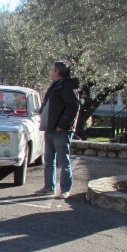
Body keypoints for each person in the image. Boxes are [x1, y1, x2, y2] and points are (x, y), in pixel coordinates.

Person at [34, 61, 81, 199]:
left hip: (60, 130)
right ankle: (49, 187)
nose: (50, 71)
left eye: (52, 69)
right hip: (49, 128)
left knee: (63, 160)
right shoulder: (55, 86)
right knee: (49, 159)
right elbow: (52, 104)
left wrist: (62, 125)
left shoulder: (66, 86)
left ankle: (65, 189)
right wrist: (42, 110)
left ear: (58, 72)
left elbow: (73, 107)